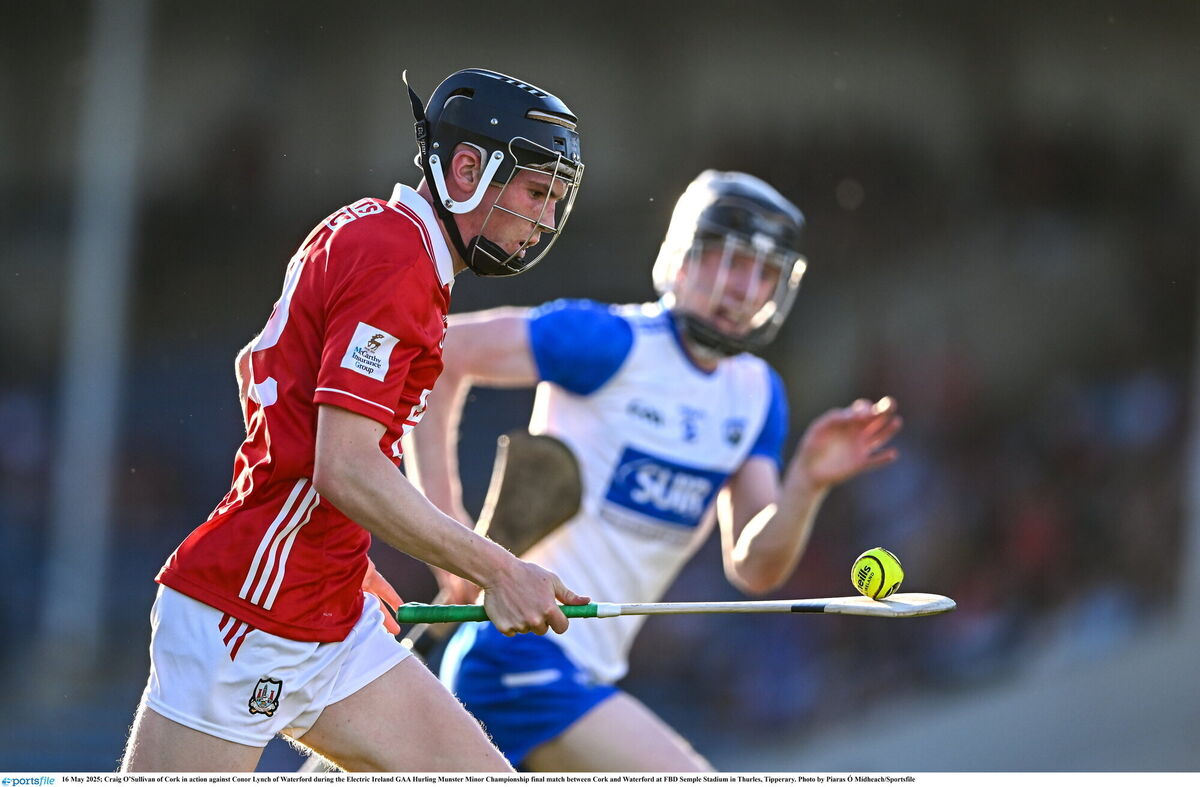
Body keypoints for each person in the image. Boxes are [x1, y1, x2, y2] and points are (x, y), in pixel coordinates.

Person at [120, 67, 589, 773]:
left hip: (330, 612)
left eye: (556, 200)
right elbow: (343, 463)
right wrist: (498, 569)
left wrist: (340, 546)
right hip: (247, 615)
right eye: (536, 193)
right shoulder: (395, 256)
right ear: (468, 167)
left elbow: (268, 381)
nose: (546, 221)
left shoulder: (383, 236)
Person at [409, 170, 904, 771]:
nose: (746, 288)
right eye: (730, 261)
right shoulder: (607, 341)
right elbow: (434, 356)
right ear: (685, 260)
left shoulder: (756, 395)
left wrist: (806, 483)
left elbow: (754, 567)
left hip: (579, 671)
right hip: (516, 658)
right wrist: (448, 542)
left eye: (766, 273)